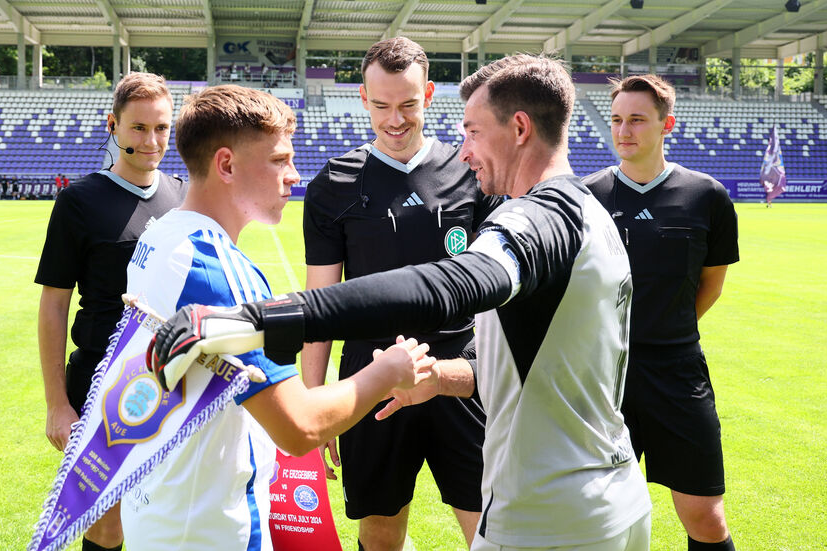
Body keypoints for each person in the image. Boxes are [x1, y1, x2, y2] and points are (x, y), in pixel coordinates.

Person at [148, 55, 654, 551]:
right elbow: (513, 361)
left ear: (519, 129)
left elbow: (452, 285)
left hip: (551, 516)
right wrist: (433, 377)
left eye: (474, 132)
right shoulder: (591, 210)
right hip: (608, 495)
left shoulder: (539, 218)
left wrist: (265, 318)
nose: (465, 150)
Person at [120, 84, 435, 551]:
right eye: (279, 160)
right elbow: (299, 428)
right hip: (212, 525)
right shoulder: (218, 269)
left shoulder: (161, 235)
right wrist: (388, 370)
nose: (293, 175)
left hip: (161, 507)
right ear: (226, 164)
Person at [301, 36, 503, 550]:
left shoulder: (471, 172)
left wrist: (494, 378)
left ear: (430, 95)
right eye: (383, 105)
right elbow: (319, 304)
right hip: (371, 376)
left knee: (490, 528)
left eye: (409, 105)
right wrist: (313, 403)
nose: (396, 119)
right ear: (363, 98)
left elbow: (499, 294)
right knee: (380, 530)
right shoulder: (334, 184)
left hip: (458, 371)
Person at [582, 75, 739, 551]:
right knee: (595, 516)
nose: (623, 130)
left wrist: (666, 325)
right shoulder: (587, 198)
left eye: (636, 120)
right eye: (616, 120)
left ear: (666, 124)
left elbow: (710, 282)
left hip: (678, 374)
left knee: (705, 517)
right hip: (603, 377)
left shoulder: (706, 195)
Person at [35, 72, 188, 551]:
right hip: (101, 386)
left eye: (161, 128)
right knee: (106, 523)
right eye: (139, 128)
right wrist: (58, 404)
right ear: (114, 126)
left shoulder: (184, 196)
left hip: (173, 381)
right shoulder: (79, 201)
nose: (152, 140)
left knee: (170, 512)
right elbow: (54, 305)